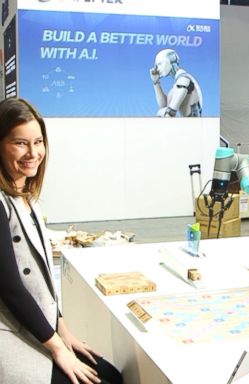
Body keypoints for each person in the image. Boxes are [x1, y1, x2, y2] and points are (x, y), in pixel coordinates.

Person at [0, 98, 123, 384]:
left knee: (112, 376)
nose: (33, 153)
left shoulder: (26, 198)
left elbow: (42, 281)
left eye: (38, 141)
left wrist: (63, 330)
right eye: (20, 143)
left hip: (36, 327)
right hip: (10, 334)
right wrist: (57, 347)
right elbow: (11, 288)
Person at [149, 48, 203, 117]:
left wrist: (161, 113)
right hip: (189, 125)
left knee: (161, 112)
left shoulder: (183, 80)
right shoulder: (179, 83)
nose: (157, 68)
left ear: (171, 61)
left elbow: (169, 113)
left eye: (159, 64)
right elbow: (164, 105)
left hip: (192, 126)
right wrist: (156, 81)